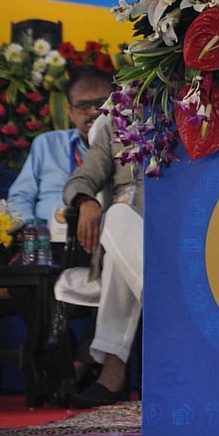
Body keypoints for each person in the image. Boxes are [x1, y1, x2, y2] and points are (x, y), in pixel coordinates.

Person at [60, 114, 143, 408]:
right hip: (123, 229)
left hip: (176, 233)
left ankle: (112, 371)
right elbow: (82, 179)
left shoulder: (192, 111)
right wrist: (86, 201)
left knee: (117, 256)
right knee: (118, 218)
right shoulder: (115, 122)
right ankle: (169, 307)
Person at [8, 66, 114, 261]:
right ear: (70, 110)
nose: (93, 112)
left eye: (101, 103)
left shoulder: (125, 148)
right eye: (83, 105)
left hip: (103, 247)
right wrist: (32, 234)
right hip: (47, 250)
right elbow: (20, 197)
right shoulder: (46, 144)